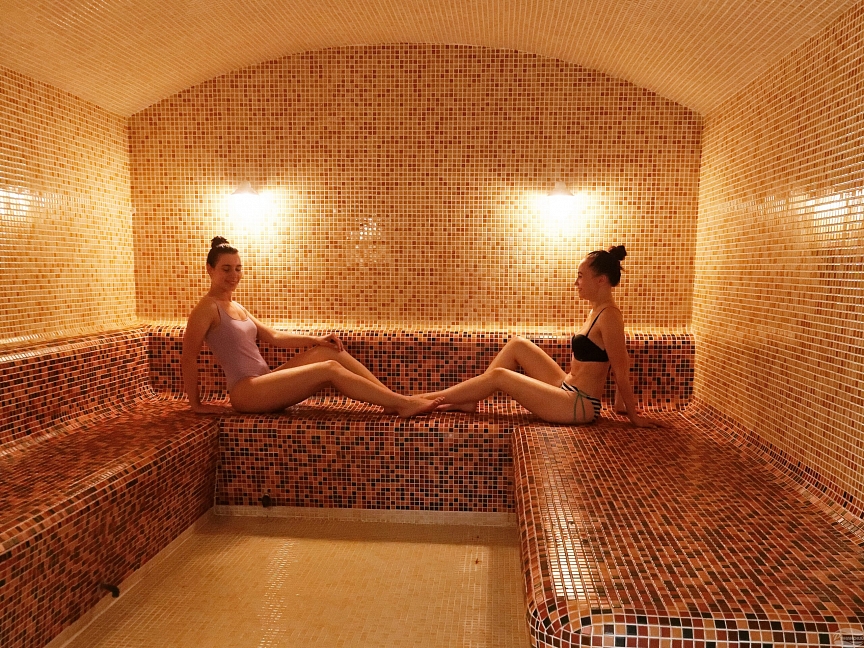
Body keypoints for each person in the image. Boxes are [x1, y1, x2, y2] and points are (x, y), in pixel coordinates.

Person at [182, 237, 441, 417]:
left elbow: (274, 336)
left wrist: (316, 340)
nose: (234, 275)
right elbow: (188, 357)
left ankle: (391, 401)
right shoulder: (206, 309)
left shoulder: (236, 306)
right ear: (210, 269)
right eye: (226, 269)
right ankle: (402, 403)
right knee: (328, 369)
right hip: (245, 392)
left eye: (238, 269)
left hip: (263, 382)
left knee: (329, 352)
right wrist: (196, 405)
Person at [420, 245, 659, 427]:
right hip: (568, 387)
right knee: (518, 344)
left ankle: (423, 401)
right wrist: (620, 406)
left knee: (500, 376)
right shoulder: (596, 310)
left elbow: (620, 368)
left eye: (580, 276)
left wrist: (633, 416)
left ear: (601, 280)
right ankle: (467, 400)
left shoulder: (610, 317)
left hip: (579, 405)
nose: (576, 283)